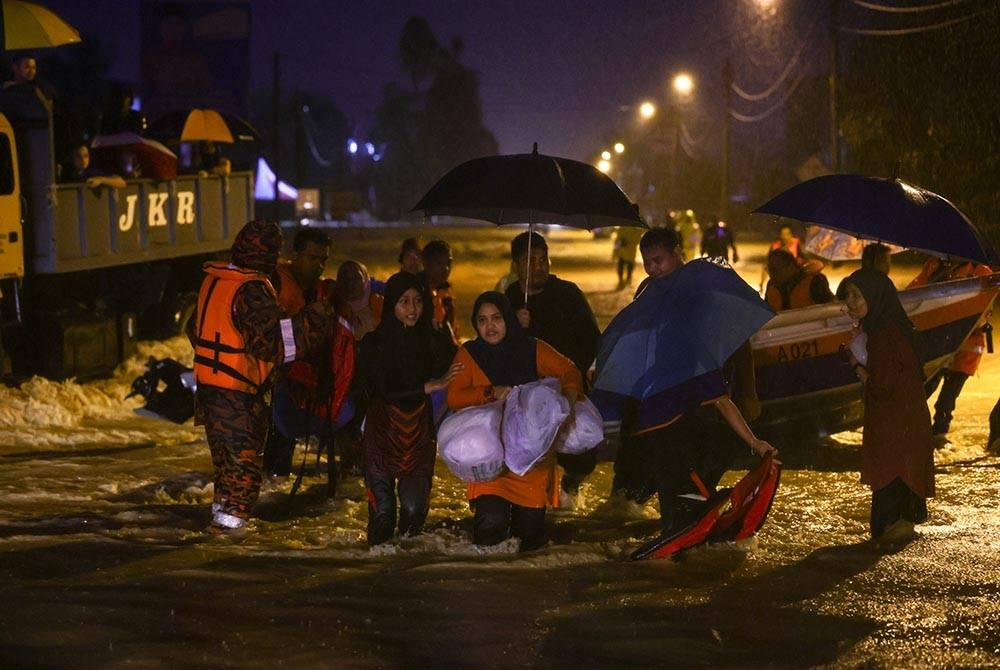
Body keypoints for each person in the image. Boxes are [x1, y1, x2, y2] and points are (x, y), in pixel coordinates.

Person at [190, 220, 334, 531]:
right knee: (244, 474)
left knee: (227, 469)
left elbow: (195, 329)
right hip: (237, 395)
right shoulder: (251, 289)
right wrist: (317, 318)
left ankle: (218, 526)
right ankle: (228, 539)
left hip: (210, 392)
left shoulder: (215, 280)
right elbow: (274, 344)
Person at [613, 227, 762, 504]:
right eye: (647, 263)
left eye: (659, 261)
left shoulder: (704, 284)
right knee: (652, 459)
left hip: (705, 389)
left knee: (709, 449)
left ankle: (693, 500)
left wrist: (748, 393)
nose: (653, 269)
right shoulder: (648, 290)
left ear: (677, 253)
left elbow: (739, 340)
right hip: (661, 391)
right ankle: (646, 503)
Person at [447, 291, 582, 551]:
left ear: (508, 319)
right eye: (483, 320)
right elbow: (453, 396)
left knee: (529, 541)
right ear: (475, 324)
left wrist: (570, 397)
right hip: (491, 463)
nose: (490, 326)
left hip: (531, 463)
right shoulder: (469, 353)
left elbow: (568, 370)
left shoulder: (532, 348)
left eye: (496, 318)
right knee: (489, 532)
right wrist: (490, 392)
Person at [355, 272, 460, 545]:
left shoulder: (432, 341)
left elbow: (461, 364)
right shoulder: (373, 344)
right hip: (381, 436)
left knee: (414, 514)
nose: (412, 309)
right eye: (404, 302)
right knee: (383, 516)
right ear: (391, 305)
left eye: (417, 301)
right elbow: (378, 388)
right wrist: (424, 387)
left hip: (418, 437)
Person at [504, 231, 601, 501]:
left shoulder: (568, 294)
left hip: (568, 385)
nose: (538, 267)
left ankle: (570, 486)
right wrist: (514, 325)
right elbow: (496, 345)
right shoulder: (511, 297)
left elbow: (593, 340)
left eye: (543, 259)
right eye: (530, 260)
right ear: (515, 266)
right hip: (529, 391)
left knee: (583, 455)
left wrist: (580, 373)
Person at [841, 267, 934, 544]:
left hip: (894, 429)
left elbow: (882, 385)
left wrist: (857, 366)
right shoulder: (895, 328)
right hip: (906, 425)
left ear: (875, 296)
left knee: (886, 518)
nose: (850, 303)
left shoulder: (883, 336)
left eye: (857, 296)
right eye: (848, 296)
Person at [263, 227, 350, 486]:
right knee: (275, 437)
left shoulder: (316, 291)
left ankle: (276, 484)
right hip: (273, 378)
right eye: (313, 258)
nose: (319, 266)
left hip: (298, 378)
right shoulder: (275, 284)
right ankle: (269, 486)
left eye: (323, 260)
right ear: (295, 255)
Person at [907, 257, 994, 435]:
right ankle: (909, 433)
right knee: (921, 393)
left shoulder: (980, 271)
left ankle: (938, 436)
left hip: (965, 353)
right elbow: (912, 293)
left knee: (945, 403)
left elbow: (984, 308)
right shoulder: (934, 265)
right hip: (938, 348)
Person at [764, 248, 834, 311]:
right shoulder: (771, 285)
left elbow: (832, 310)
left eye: (776, 270)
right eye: (770, 270)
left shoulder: (815, 282)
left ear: (791, 266)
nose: (772, 275)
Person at [419, 240, 460, 345]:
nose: (446, 268)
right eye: (439, 263)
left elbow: (453, 329)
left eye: (449, 263)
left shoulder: (446, 290)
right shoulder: (416, 292)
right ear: (425, 263)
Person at [333, 260, 384, 342]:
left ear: (366, 279)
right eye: (343, 278)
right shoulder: (333, 308)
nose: (349, 283)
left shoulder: (381, 304)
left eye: (356, 278)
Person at [59, 143, 126, 189]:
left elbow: (122, 182)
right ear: (72, 158)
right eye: (78, 156)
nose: (83, 160)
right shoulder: (66, 173)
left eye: (86, 156)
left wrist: (101, 180)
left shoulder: (91, 172)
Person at [759, 224, 802, 293]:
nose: (785, 237)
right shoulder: (775, 246)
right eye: (783, 234)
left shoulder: (796, 243)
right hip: (780, 277)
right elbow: (768, 265)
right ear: (779, 235)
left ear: (791, 235)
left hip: (793, 275)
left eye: (787, 234)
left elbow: (801, 258)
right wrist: (762, 284)